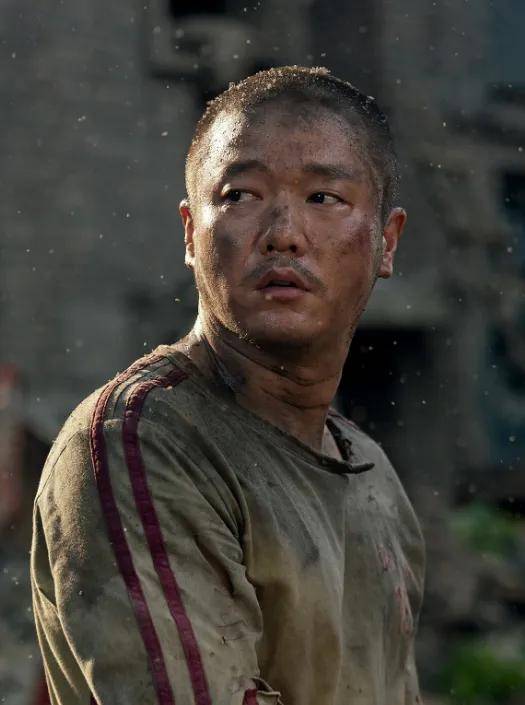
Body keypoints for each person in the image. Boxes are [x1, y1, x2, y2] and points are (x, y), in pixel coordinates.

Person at [31, 66, 425, 705]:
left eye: (324, 198)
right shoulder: (140, 443)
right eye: (240, 195)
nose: (283, 234)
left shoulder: (373, 476)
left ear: (386, 241)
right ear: (191, 232)